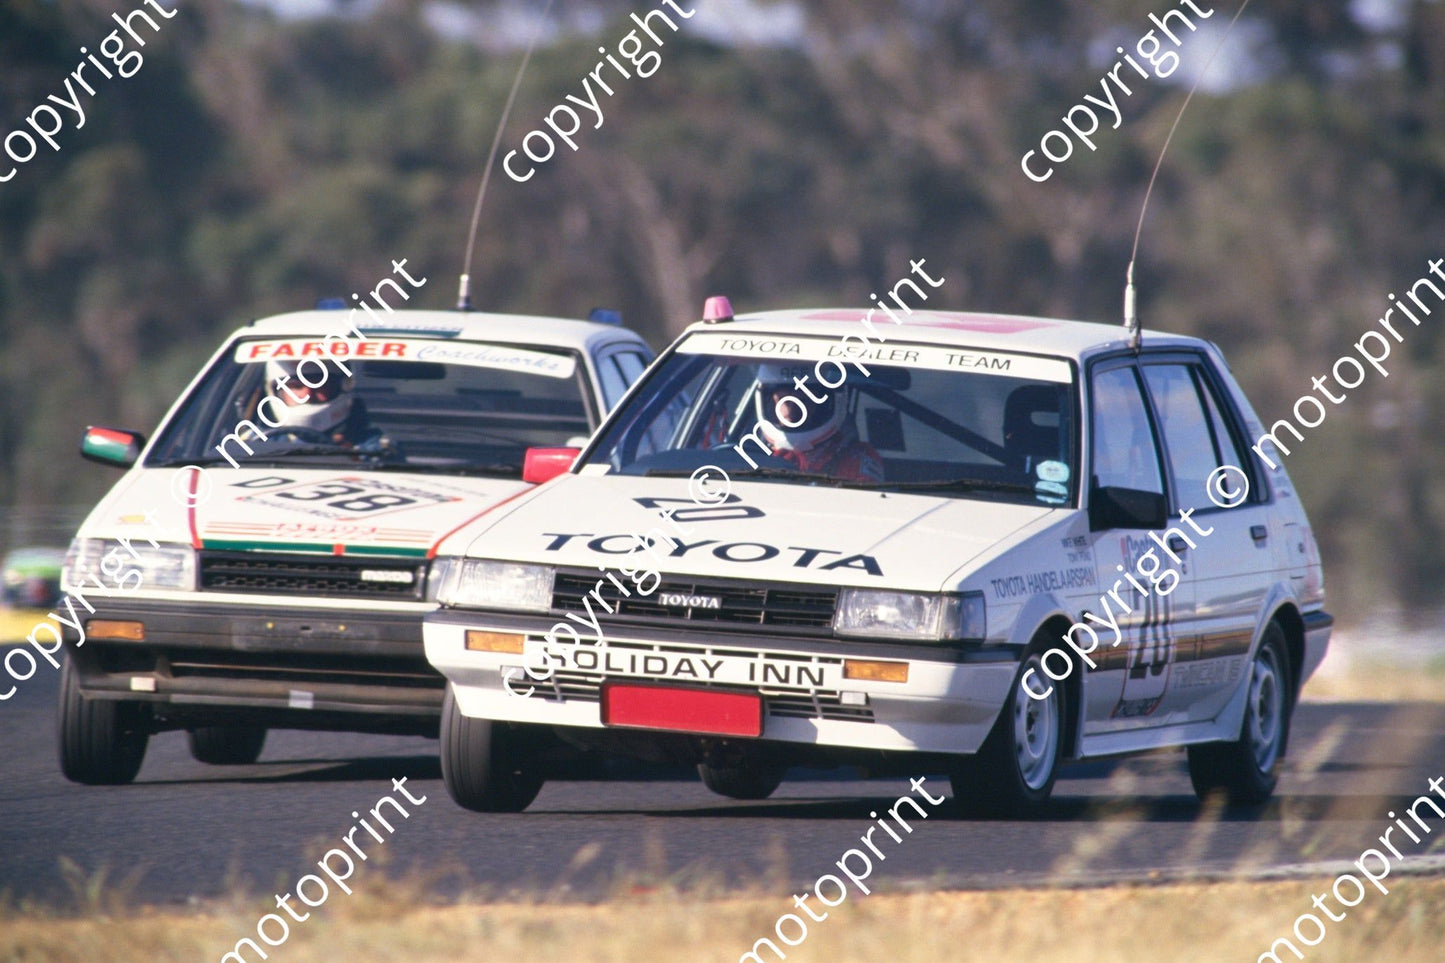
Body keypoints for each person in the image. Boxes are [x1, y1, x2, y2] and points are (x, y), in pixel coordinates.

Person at [752, 363, 884, 482]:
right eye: (784, 400)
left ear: (822, 406)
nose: (792, 410)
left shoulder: (856, 457)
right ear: (771, 402)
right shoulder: (753, 451)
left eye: (803, 400)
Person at [259, 359, 379, 447]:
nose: (307, 395)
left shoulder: (371, 445)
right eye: (296, 387)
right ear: (275, 392)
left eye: (318, 385)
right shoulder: (260, 443)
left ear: (342, 386)